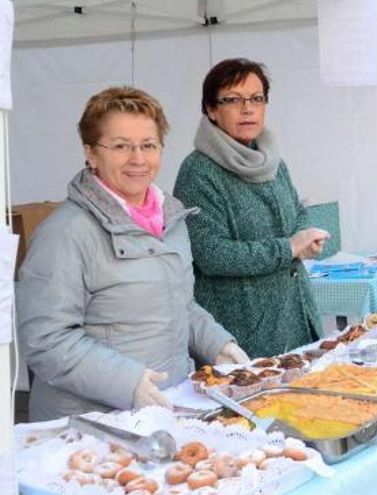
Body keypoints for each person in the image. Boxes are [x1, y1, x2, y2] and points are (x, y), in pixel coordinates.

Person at [17, 87, 247, 421]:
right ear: (91, 153)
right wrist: (127, 382)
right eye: (122, 146)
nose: (138, 159)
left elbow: (177, 302)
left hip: (166, 407)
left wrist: (218, 344)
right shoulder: (65, 233)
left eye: (148, 145)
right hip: (93, 426)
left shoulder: (171, 219)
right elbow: (46, 339)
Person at [174, 58, 329, 358]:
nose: (248, 108)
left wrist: (305, 239)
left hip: (295, 315)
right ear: (211, 109)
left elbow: (297, 211)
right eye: (233, 99)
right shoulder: (198, 172)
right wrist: (287, 248)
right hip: (242, 331)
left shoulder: (271, 159)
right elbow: (211, 254)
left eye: (256, 99)